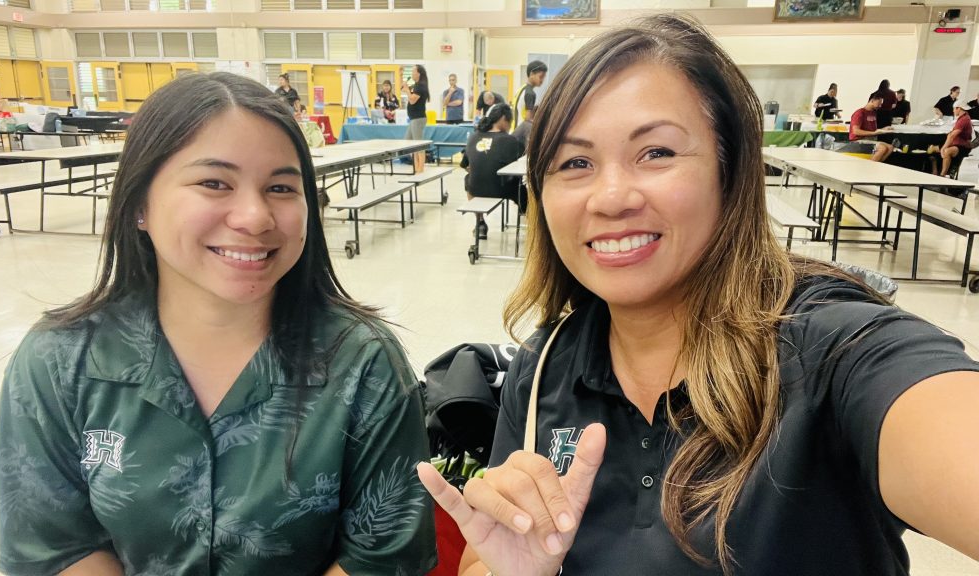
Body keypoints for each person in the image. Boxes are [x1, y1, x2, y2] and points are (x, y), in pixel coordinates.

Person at [417, 14, 979, 576]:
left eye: (657, 152)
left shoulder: (834, 351)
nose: (611, 197)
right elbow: (483, 562)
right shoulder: (545, 367)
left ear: (730, 170)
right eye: (576, 162)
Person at [0, 72, 437, 576]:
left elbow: (381, 559)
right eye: (214, 183)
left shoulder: (361, 363)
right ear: (139, 202)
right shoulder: (61, 360)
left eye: (280, 187)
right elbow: (54, 548)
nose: (255, 216)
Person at [459, 103, 524, 240]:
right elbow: (521, 164)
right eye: (510, 121)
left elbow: (464, 164)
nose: (510, 125)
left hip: (476, 189)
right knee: (522, 188)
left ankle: (480, 223)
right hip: (502, 189)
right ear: (502, 119)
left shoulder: (473, 137)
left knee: (468, 179)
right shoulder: (510, 141)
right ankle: (533, 222)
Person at [850, 92, 894, 162]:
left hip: (869, 139)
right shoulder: (859, 113)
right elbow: (856, 131)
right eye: (879, 103)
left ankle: (876, 165)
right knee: (882, 148)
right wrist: (875, 133)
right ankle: (869, 168)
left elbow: (873, 131)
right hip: (858, 141)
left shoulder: (873, 113)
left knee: (890, 147)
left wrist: (883, 129)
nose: (880, 106)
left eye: (881, 104)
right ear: (872, 100)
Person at [402, 64, 429, 173]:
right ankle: (416, 166)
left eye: (413, 71)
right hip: (414, 118)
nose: (412, 74)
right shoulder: (417, 85)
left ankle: (420, 168)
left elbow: (412, 100)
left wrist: (408, 90)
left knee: (418, 144)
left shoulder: (421, 86)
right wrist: (401, 76)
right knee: (408, 142)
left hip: (418, 118)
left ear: (419, 73)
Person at [936, 99, 973, 176]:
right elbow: (951, 135)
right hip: (957, 143)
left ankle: (942, 175)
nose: (953, 111)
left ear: (958, 108)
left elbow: (952, 135)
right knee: (936, 149)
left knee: (947, 151)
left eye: (954, 109)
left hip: (963, 146)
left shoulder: (964, 119)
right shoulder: (962, 117)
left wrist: (943, 148)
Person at [512, 60, 548, 130]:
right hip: (521, 133)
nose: (542, 80)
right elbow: (528, 120)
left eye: (544, 77)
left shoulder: (521, 89)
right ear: (531, 74)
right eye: (541, 77)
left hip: (514, 130)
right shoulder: (530, 93)